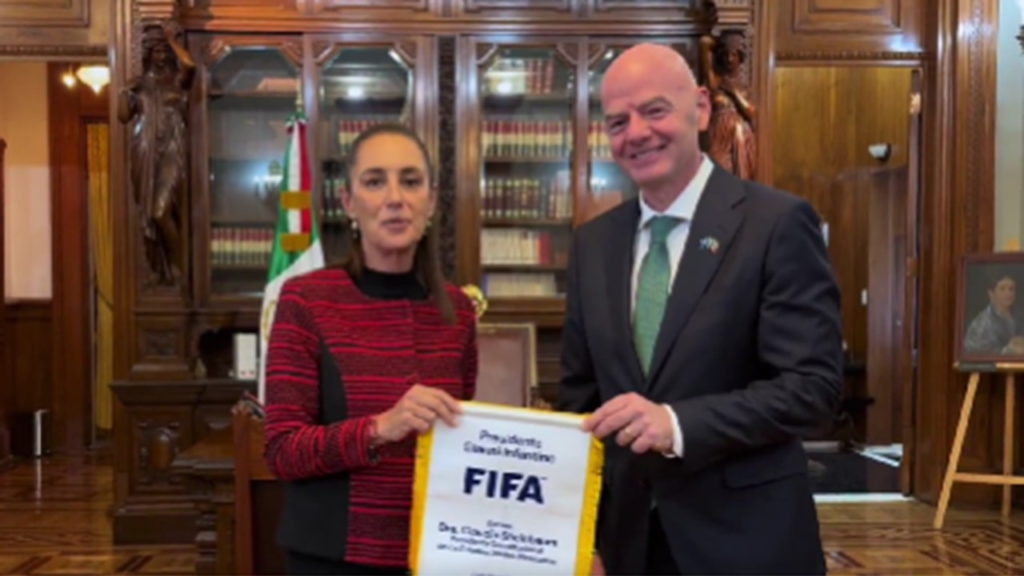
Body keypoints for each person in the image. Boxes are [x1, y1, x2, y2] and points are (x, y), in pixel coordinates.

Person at [558, 43, 843, 575]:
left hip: (747, 544)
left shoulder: (777, 224)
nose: (636, 133)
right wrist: (579, 537)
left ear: (703, 108)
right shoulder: (593, 244)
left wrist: (676, 424)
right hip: (628, 547)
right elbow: (580, 403)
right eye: (618, 121)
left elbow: (812, 389)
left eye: (655, 110)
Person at [262, 123, 479, 575]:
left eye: (411, 181)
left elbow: (461, 439)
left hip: (436, 553)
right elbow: (283, 450)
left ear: (431, 201)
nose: (395, 198)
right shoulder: (306, 300)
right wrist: (380, 428)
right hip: (334, 557)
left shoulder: (458, 311)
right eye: (375, 181)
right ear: (348, 202)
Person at [963, 269, 1024, 355]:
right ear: (991, 293)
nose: (1008, 293)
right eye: (1002, 289)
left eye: (1011, 289)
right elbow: (975, 352)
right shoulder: (982, 324)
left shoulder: (1019, 316)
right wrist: (1009, 350)